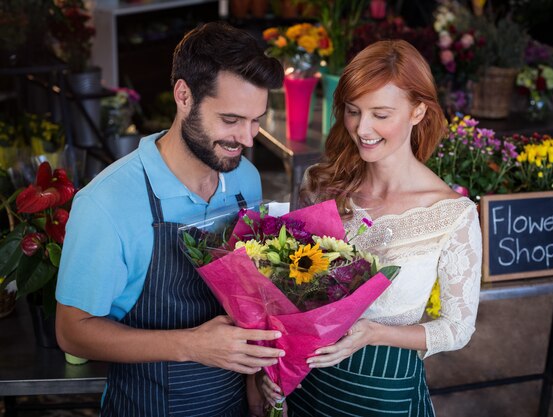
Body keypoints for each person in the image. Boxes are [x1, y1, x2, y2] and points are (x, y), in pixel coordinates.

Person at [55, 22, 286, 416]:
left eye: (256, 120)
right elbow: (72, 331)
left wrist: (254, 383)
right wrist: (192, 345)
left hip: (232, 404)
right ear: (184, 96)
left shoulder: (245, 178)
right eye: (231, 120)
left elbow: (251, 295)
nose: (248, 139)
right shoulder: (107, 201)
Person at [257, 39, 483, 416]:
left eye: (380, 114)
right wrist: (273, 368)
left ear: (418, 111)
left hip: (383, 389)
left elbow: (457, 329)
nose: (362, 128)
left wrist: (374, 333)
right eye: (353, 111)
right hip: (305, 376)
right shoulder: (319, 185)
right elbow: (287, 294)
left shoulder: (452, 215)